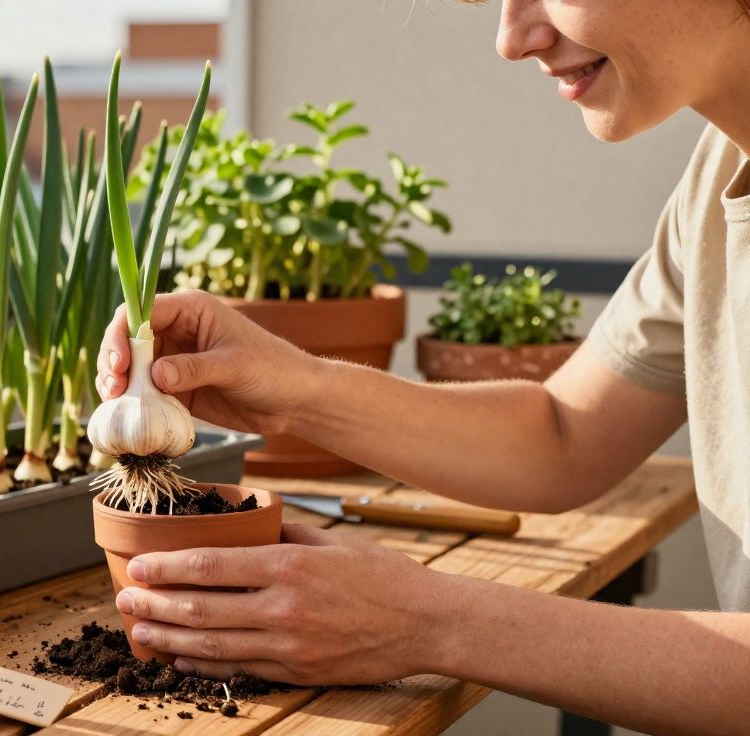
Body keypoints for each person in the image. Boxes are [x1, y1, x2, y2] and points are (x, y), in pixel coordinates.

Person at [95, 1, 750, 733]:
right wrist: (298, 391)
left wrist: (433, 622)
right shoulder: (720, 170)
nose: (512, 39)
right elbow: (565, 436)